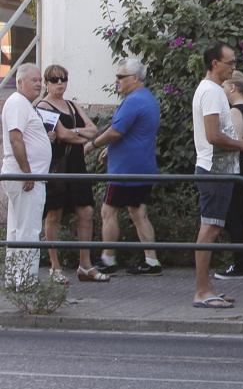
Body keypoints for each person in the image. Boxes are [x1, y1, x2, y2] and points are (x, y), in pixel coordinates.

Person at [191, 42, 243, 309]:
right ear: (214, 63)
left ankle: (207, 288)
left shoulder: (214, 91)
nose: (234, 67)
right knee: (209, 228)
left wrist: (241, 142)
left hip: (219, 168)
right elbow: (212, 136)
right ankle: (201, 291)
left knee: (213, 227)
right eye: (230, 62)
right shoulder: (210, 92)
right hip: (214, 169)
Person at [88, 57, 163, 277]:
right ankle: (152, 261)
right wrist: (111, 150)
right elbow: (134, 133)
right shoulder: (148, 99)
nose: (117, 81)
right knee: (139, 213)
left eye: (121, 77)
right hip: (142, 165)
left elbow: (116, 131)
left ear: (135, 78)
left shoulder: (133, 101)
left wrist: (91, 145)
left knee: (108, 211)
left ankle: (108, 259)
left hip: (125, 169)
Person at [36, 64, 104, 283]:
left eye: (63, 79)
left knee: (85, 211)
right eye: (54, 80)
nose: (59, 84)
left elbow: (94, 130)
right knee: (53, 214)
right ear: (46, 83)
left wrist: (74, 134)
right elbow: (63, 135)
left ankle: (85, 265)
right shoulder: (43, 106)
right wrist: (79, 134)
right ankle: (55, 267)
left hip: (76, 163)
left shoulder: (72, 105)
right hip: (56, 164)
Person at [2, 65, 55, 289]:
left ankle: (16, 278)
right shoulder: (17, 103)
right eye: (33, 80)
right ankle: (25, 280)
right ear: (20, 82)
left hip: (24, 176)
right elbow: (16, 138)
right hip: (26, 178)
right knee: (29, 229)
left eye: (39, 80)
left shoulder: (23, 104)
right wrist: (28, 172)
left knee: (17, 229)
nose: (38, 84)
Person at [213, 70, 243, 281]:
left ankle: (242, 261)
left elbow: (235, 142)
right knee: (235, 214)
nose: (222, 91)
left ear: (232, 88)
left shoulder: (236, 111)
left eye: (224, 86)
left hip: (238, 171)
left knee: (231, 215)